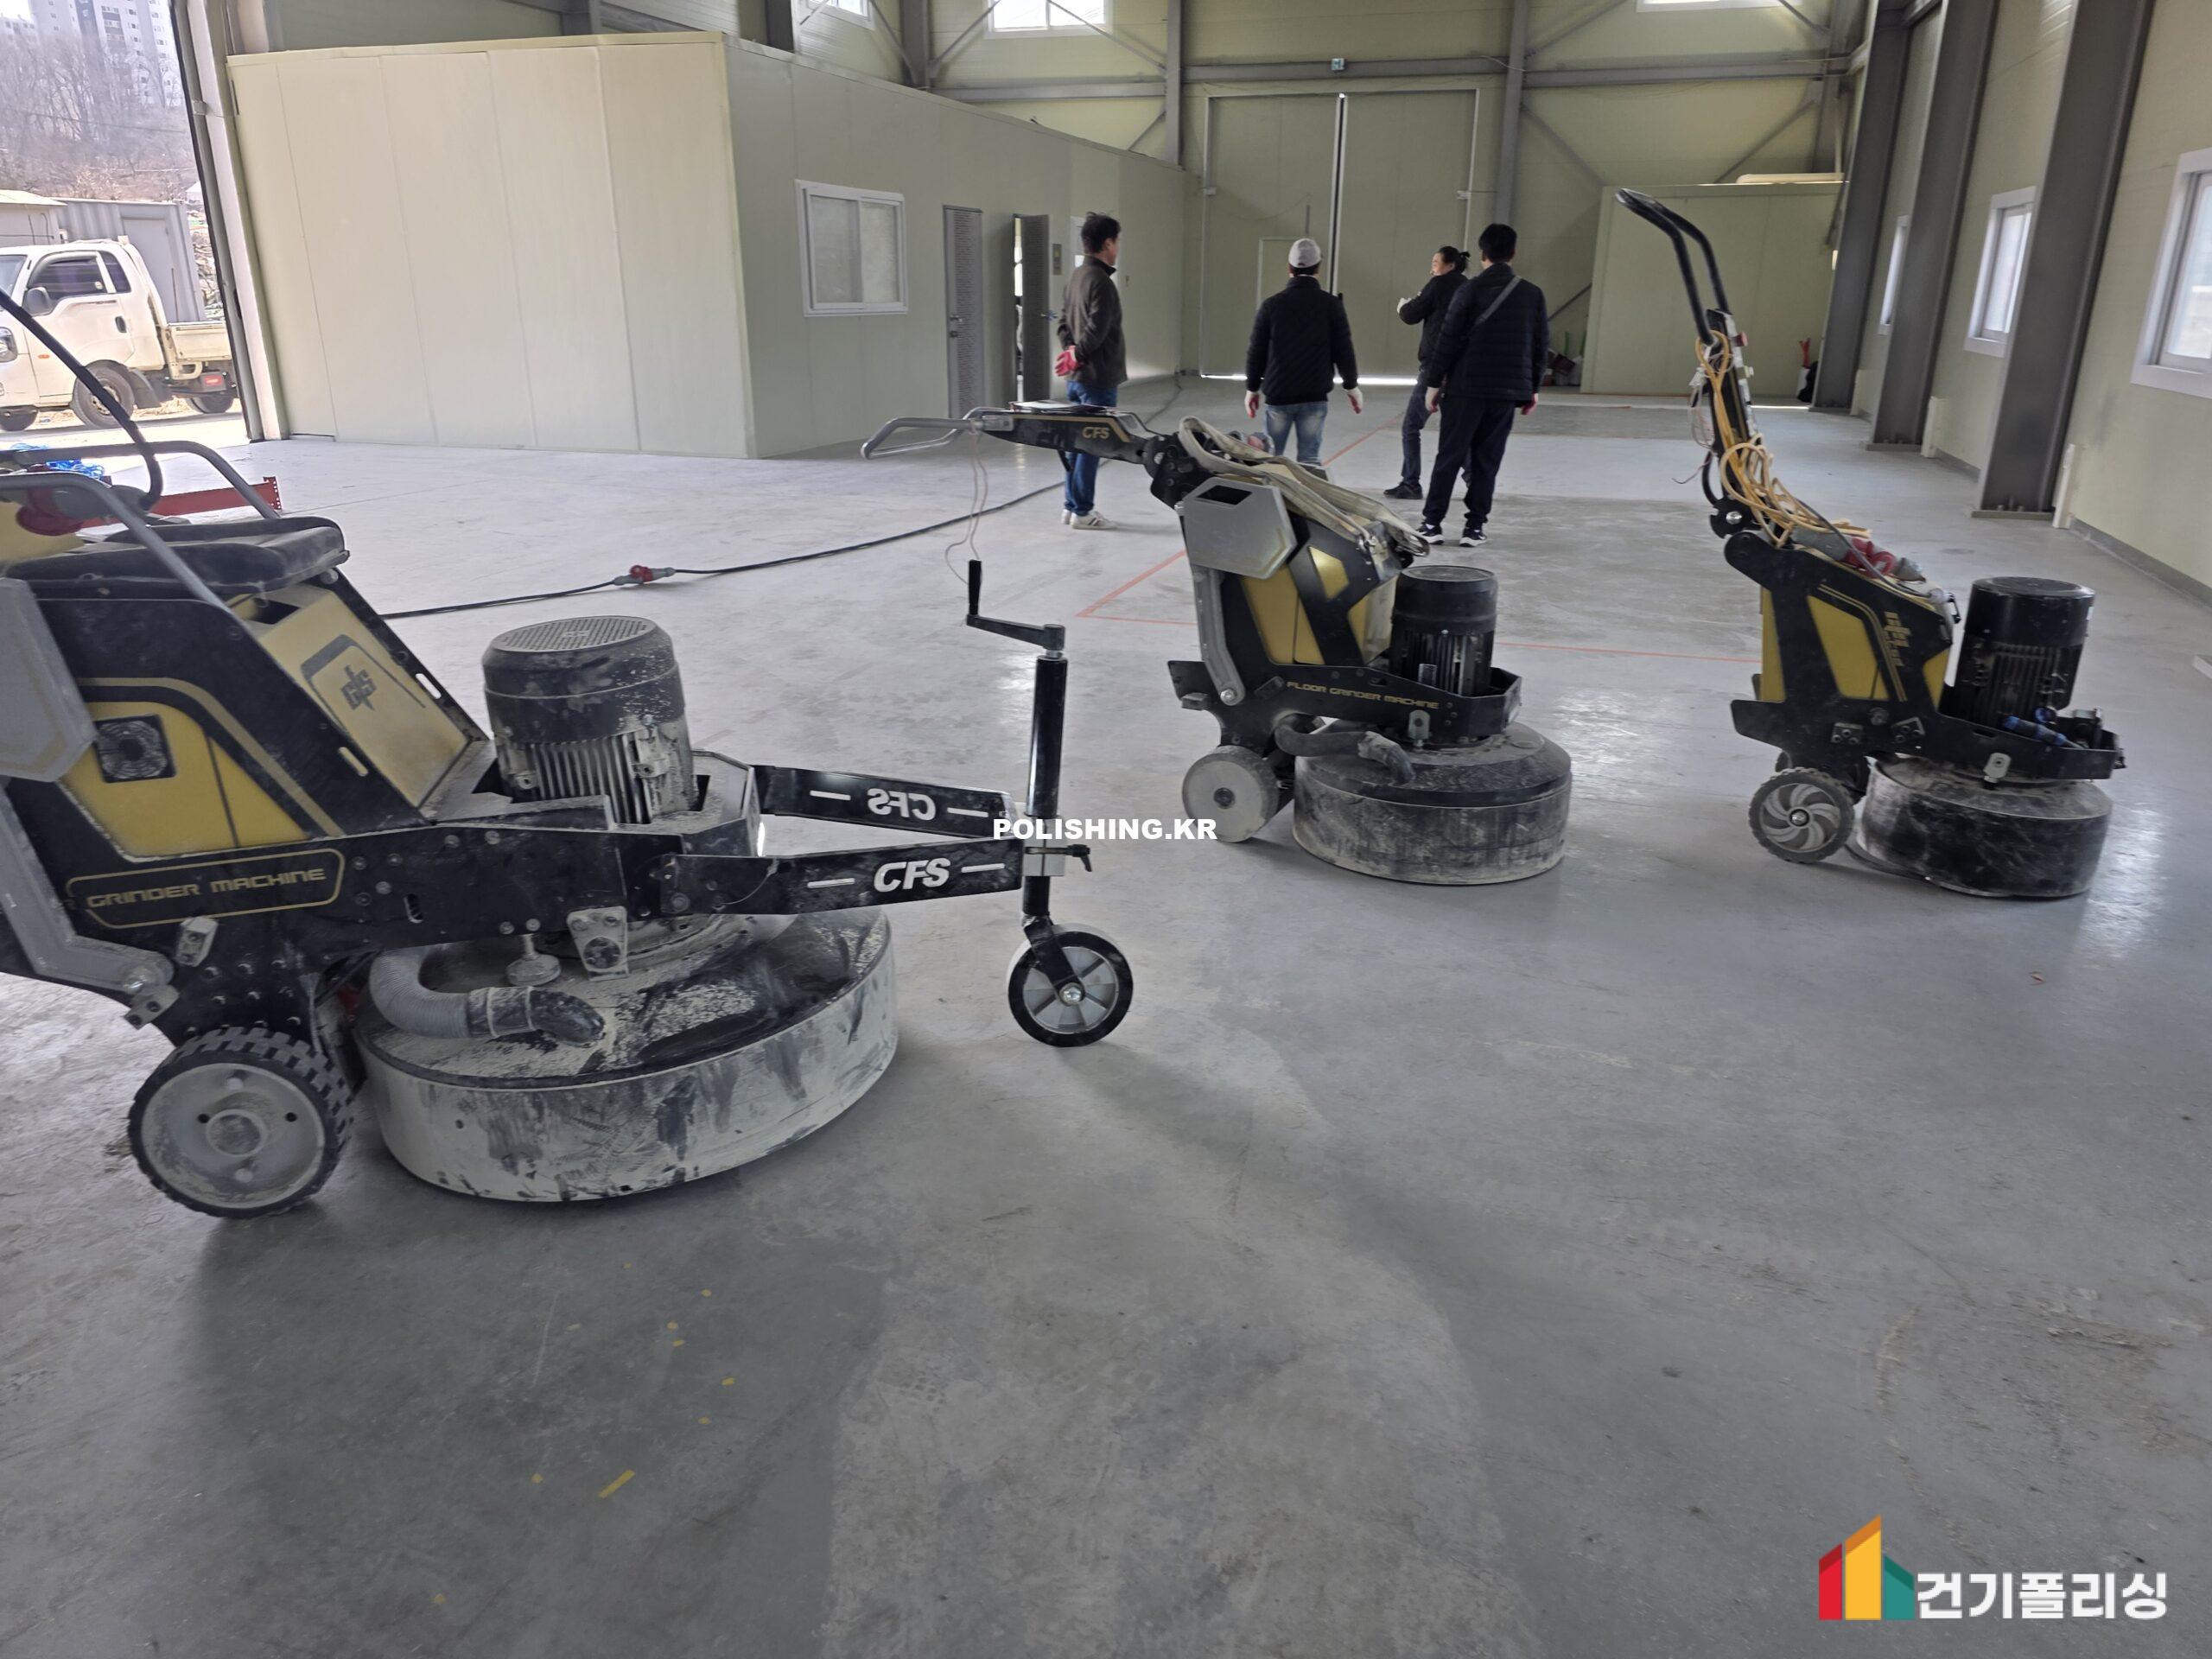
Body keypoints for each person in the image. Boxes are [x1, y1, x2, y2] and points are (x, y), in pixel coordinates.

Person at [1419, 222, 1548, 547]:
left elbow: (1447, 339)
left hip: (1465, 388)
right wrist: (1532, 388)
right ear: (1513, 252)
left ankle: (1432, 524)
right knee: (1487, 461)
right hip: (1505, 392)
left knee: (1449, 456)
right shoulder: (1531, 294)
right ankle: (1474, 527)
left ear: (1482, 254)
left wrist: (1433, 384)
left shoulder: (1469, 290)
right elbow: (1539, 345)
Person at [1242, 237, 1362, 465]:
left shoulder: (1271, 306)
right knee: (1309, 460)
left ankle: (1272, 488)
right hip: (1314, 394)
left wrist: (1252, 389)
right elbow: (1344, 349)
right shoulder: (1331, 305)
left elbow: (1256, 350)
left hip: (1278, 395)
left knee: (1270, 460)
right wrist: (1351, 387)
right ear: (1318, 268)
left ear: (1289, 268)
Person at [1384, 245, 1471, 500]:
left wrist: (1403, 307)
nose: (1432, 268)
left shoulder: (1438, 284)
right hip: (1460, 368)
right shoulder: (1468, 287)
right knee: (1455, 429)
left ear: (1449, 265)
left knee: (1411, 426)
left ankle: (1410, 482)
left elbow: (1412, 314)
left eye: (1435, 262)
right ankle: (1474, 478)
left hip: (1434, 366)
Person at [1057, 212, 1126, 530]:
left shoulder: (1077, 277)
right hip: (1098, 379)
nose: (1118, 248)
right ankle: (1083, 512)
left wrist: (1071, 352)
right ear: (1108, 243)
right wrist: (1079, 353)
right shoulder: (1102, 282)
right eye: (1117, 242)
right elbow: (1097, 330)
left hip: (1078, 379)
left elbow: (1063, 322)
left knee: (1077, 444)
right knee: (1092, 445)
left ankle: (1071, 507)